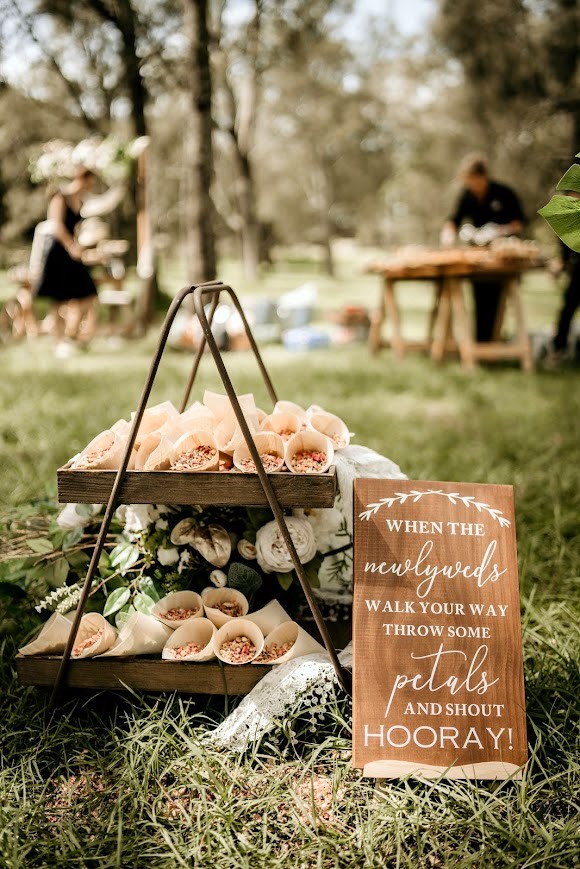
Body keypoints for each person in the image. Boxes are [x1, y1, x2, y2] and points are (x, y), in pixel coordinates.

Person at [441, 155, 525, 342]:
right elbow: (454, 220)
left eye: (473, 180)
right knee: (480, 299)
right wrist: (448, 236)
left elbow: (519, 224)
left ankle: (496, 341)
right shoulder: (467, 195)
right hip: (477, 257)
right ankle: (482, 342)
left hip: (502, 256)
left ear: (483, 176)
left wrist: (497, 231)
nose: (472, 185)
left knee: (498, 300)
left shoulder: (504, 193)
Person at [34, 166, 99, 352]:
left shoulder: (81, 200)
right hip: (58, 254)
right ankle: (59, 342)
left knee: (89, 293)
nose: (92, 185)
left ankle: (71, 333)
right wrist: (71, 246)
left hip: (73, 253)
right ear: (83, 178)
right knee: (58, 300)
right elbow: (57, 227)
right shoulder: (60, 197)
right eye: (91, 180)